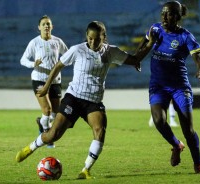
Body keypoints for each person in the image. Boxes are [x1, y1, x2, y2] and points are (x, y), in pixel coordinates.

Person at [16, 21, 145, 179]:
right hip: (74, 98)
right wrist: (45, 87)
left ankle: (86, 170)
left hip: (94, 102)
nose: (92, 42)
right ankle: (31, 147)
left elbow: (135, 59)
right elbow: (58, 66)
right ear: (86, 36)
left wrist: (149, 41)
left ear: (103, 37)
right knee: (53, 135)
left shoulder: (111, 52)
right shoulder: (77, 50)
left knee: (99, 131)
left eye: (96, 39)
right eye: (90, 38)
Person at [136, 1, 200, 174]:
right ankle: (176, 145)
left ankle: (198, 163)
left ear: (178, 16)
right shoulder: (155, 29)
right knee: (159, 121)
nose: (166, 17)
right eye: (163, 13)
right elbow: (142, 46)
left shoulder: (185, 36)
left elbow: (198, 57)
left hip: (179, 87)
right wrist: (137, 56)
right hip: (158, 85)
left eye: (171, 14)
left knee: (188, 130)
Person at [20, 15, 68, 148]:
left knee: (55, 113)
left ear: (52, 27)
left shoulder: (57, 42)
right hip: (39, 79)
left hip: (55, 81)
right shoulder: (34, 43)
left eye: (48, 24)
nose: (46, 26)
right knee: (47, 110)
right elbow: (23, 60)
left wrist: (63, 62)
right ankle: (47, 135)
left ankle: (42, 123)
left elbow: (68, 54)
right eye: (44, 24)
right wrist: (33, 64)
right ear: (39, 27)